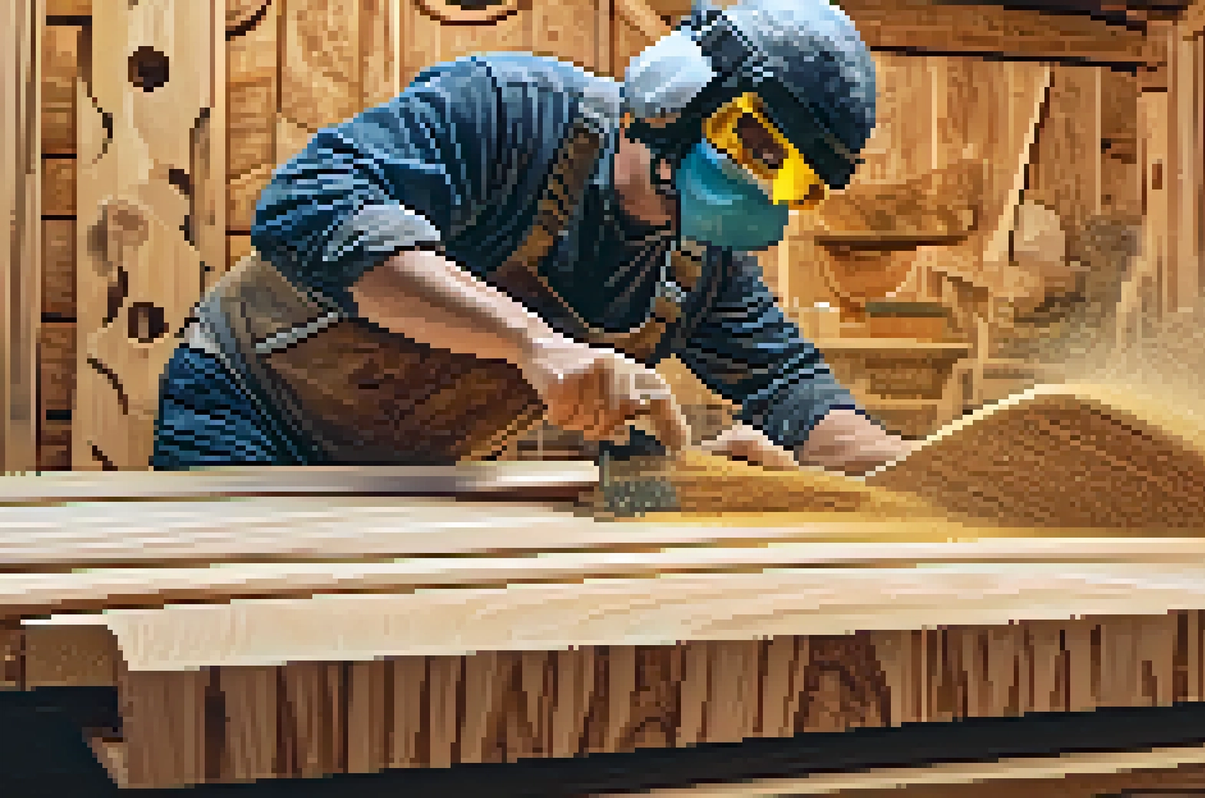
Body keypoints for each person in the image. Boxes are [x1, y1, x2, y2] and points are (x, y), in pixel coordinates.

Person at [151, 0, 911, 476]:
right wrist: (533, 344)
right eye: (756, 146)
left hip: (421, 470)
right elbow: (310, 206)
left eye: (793, 182)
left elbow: (794, 393)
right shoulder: (512, 112)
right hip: (247, 410)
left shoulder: (703, 270)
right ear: (675, 94)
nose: (762, 189)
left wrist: (924, 476)